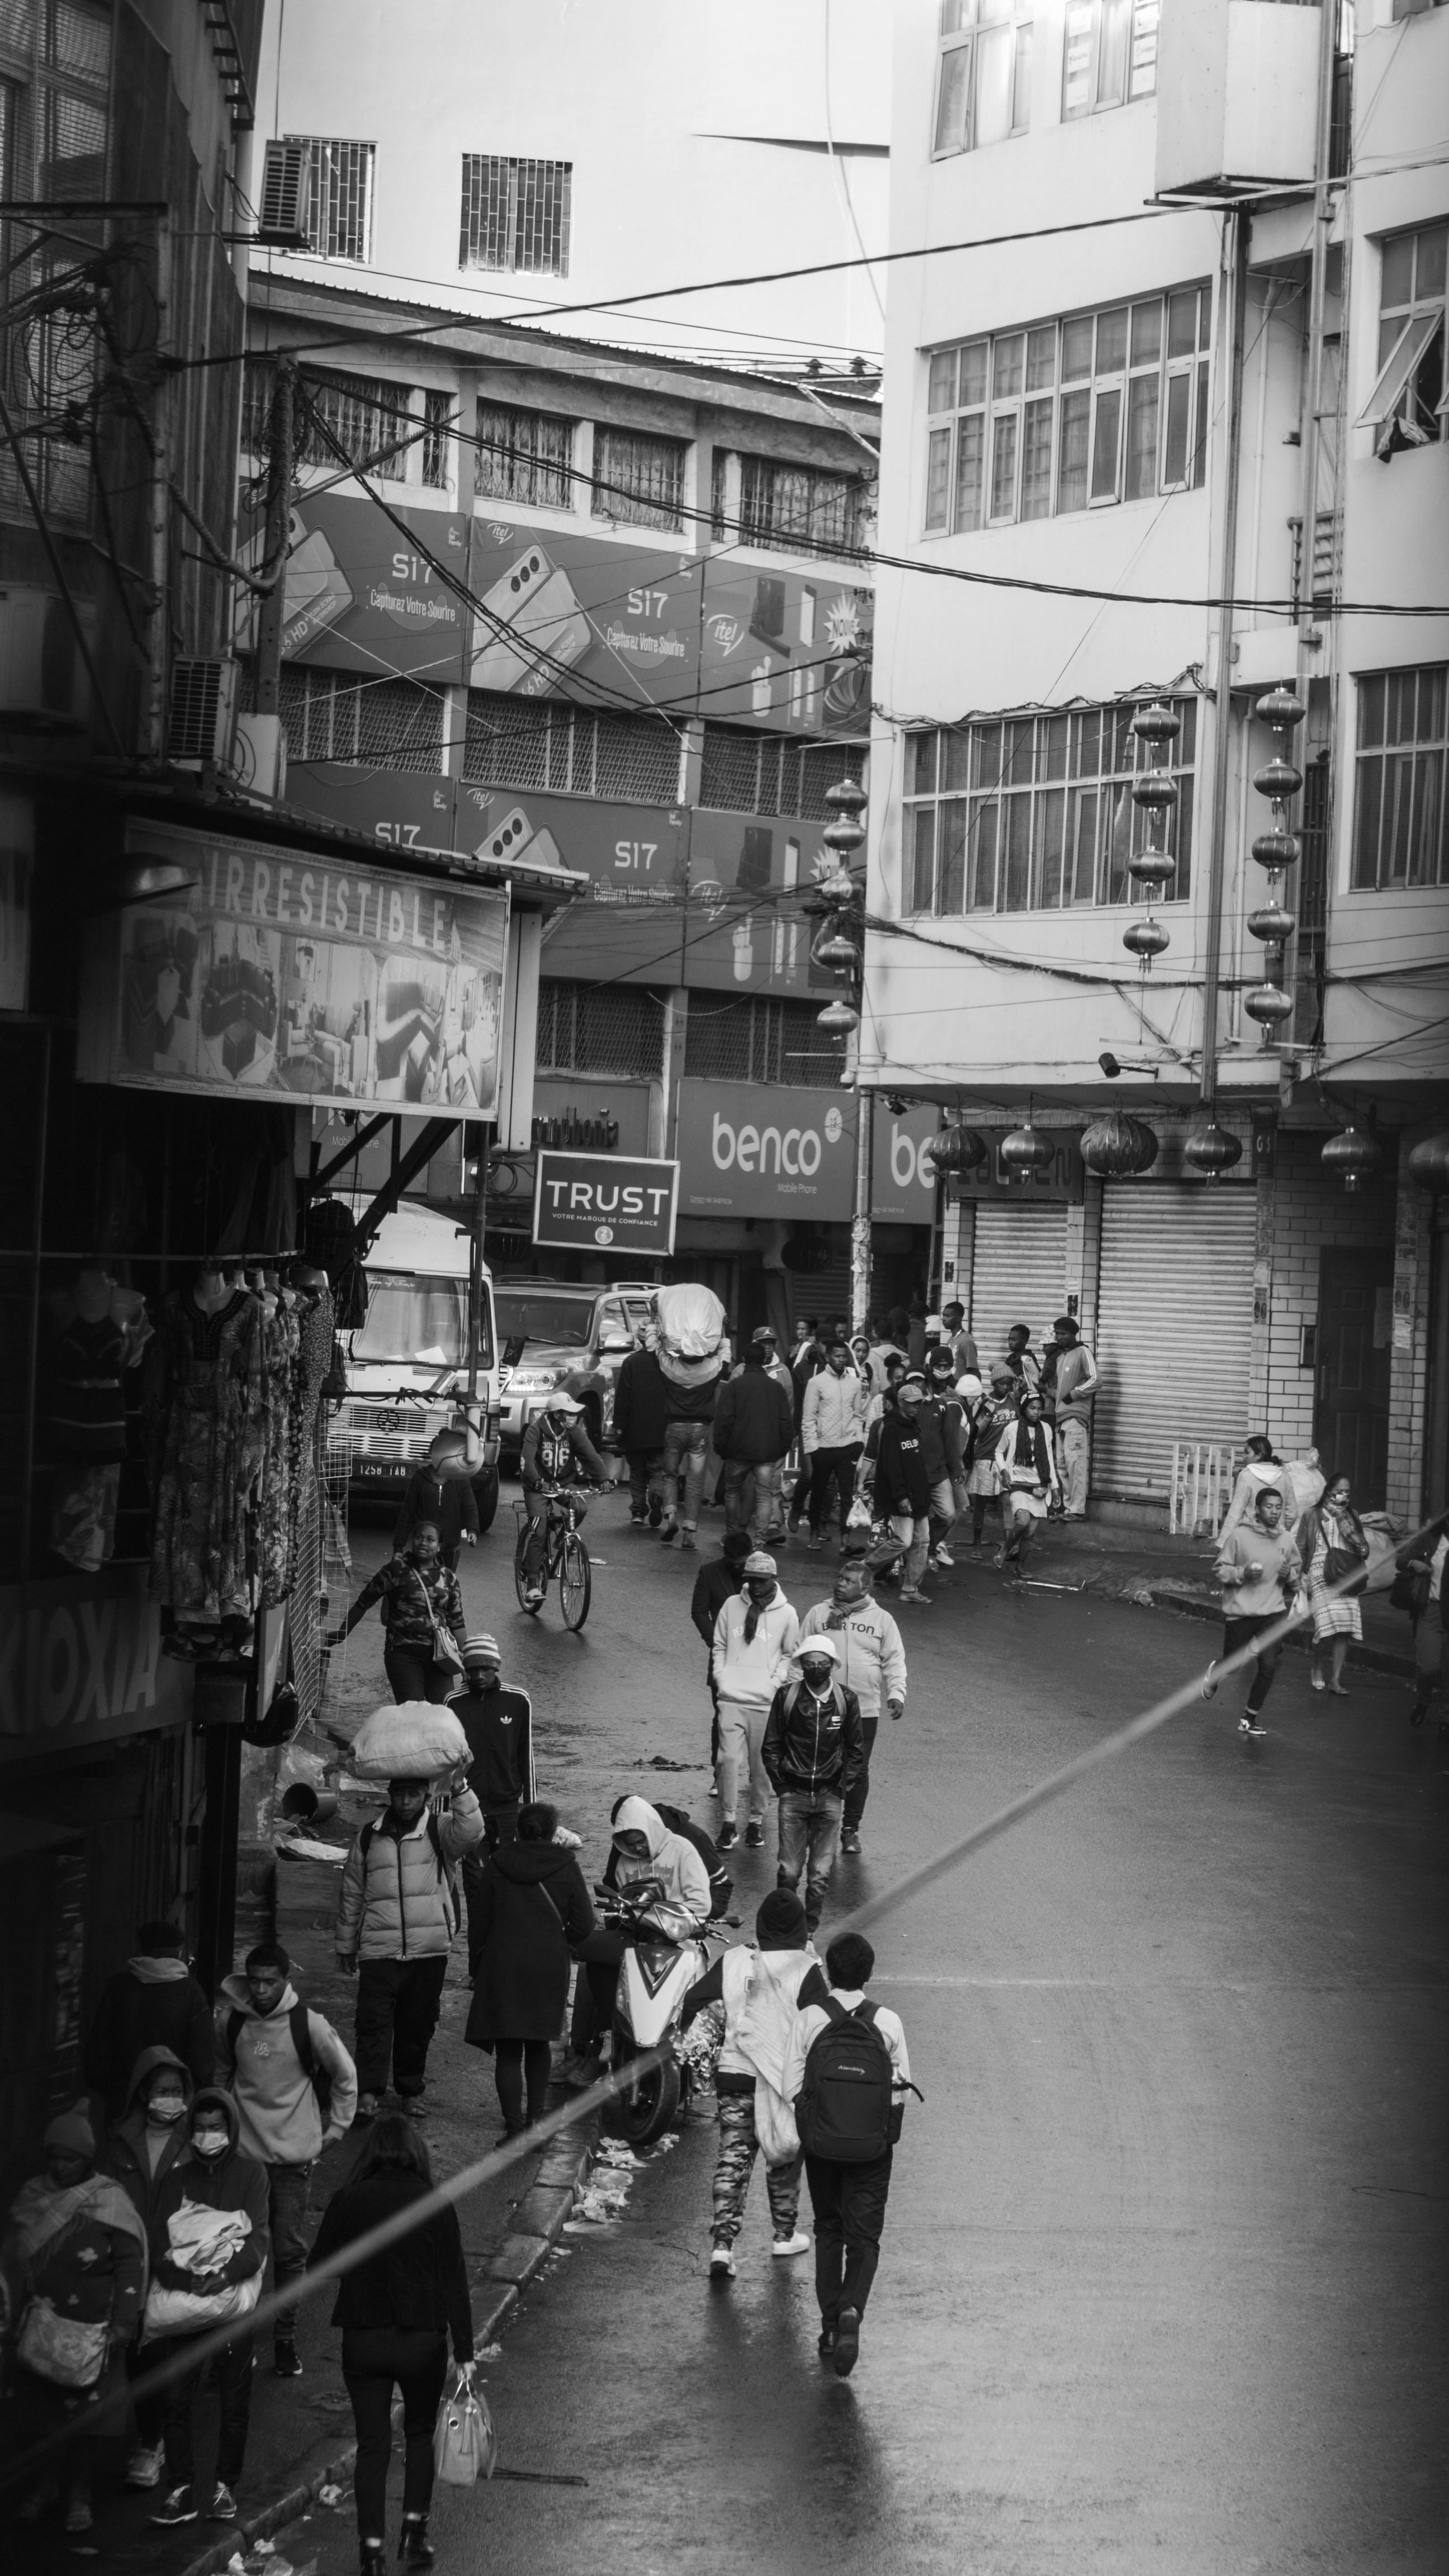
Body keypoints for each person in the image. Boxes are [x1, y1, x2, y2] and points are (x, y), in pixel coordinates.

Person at [309, 2114, 476, 2576]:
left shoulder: (348, 2199)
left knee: (372, 2444)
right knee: (420, 2435)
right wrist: (465, 2351)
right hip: (421, 2339)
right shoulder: (435, 2203)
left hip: (362, 2337)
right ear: (415, 2154)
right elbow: (453, 2282)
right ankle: (414, 2534)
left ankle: (371, 2551)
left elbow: (319, 2265)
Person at [214, 1942, 357, 2378]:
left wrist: (334, 2131)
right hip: (243, 2160)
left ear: (285, 1980)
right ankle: (237, 2344)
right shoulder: (230, 2022)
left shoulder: (308, 2026)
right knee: (239, 2251)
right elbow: (221, 2076)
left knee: (289, 2253)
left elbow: (346, 2077)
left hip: (292, 2163)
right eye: (254, 1980)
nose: (260, 1989)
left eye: (269, 1982)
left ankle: (284, 2341)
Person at [6, 2110, 148, 2535]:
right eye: (54, 2158)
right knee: (34, 2417)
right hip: (36, 2333)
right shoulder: (32, 2196)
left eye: (69, 2159)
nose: (60, 2167)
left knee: (86, 2425)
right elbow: (11, 2259)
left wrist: (124, 2321)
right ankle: (44, 2487)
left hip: (92, 2338)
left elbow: (130, 2266)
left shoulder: (110, 2201)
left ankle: (79, 2496)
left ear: (87, 2160)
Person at [780, 1930, 914, 2380]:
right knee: (865, 2237)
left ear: (829, 1972)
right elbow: (899, 2091)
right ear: (869, 1974)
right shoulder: (889, 2022)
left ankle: (827, 2329)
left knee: (828, 2228)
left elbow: (790, 2087)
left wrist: (816, 2123)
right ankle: (852, 2307)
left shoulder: (810, 2018)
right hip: (872, 2149)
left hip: (822, 2145)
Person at [680, 1889, 824, 2280]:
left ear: (761, 1924)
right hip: (782, 2079)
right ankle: (783, 2234)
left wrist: (691, 2042)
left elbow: (693, 2000)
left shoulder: (735, 1959)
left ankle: (722, 2247)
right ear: (798, 1927)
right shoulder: (805, 1967)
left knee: (733, 2157)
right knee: (785, 2153)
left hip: (735, 2074)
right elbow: (821, 2026)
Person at [148, 2089, 270, 2527]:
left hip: (230, 2305)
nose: (207, 2136)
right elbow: (163, 2243)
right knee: (176, 2397)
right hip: (185, 2303)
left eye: (216, 2127)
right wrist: (188, 2280)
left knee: (234, 2400)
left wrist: (225, 2275)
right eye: (200, 2128)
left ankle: (224, 2488)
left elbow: (257, 2242)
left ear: (231, 2130)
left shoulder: (252, 2174)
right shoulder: (176, 2181)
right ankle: (180, 2488)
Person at [335, 1769, 484, 2120]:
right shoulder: (368, 1837)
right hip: (378, 1948)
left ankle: (409, 2091)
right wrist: (345, 1944)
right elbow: (353, 1892)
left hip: (428, 1948)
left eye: (413, 1796)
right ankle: (368, 2094)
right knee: (371, 2024)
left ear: (427, 1797)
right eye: (400, 1795)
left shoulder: (440, 1830)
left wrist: (461, 1787)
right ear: (390, 1794)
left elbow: (473, 1831)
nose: (405, 1803)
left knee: (417, 2026)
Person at [465, 1800, 595, 2137]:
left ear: (518, 1830)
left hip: (502, 1964)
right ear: (554, 1833)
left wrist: (477, 1966)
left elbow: (479, 1921)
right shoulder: (567, 1866)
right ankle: (535, 2123)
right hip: (548, 1966)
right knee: (538, 2046)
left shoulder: (498, 1863)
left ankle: (513, 2128)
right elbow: (585, 1923)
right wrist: (562, 1943)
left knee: (508, 2052)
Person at [103, 2049, 194, 2490]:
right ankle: (148, 2435)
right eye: (162, 2092)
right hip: (131, 2264)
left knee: (164, 2354)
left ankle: (153, 2443)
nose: (170, 2100)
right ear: (144, 2094)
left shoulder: (196, 2139)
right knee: (138, 2354)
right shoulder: (121, 2141)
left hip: (176, 2263)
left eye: (177, 2092)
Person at [571, 1798, 713, 2073]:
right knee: (596, 1960)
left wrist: (670, 1918)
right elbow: (623, 1899)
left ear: (652, 1829)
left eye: (640, 1841)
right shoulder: (625, 1862)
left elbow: (701, 1902)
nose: (638, 1848)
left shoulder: (683, 1850)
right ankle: (610, 2031)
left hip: (680, 1938)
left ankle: (695, 2052)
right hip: (639, 1939)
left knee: (697, 1993)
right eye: (631, 1843)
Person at [798, 1556, 906, 1857]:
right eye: (840, 1577)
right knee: (820, 1767)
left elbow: (894, 1660)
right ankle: (823, 1827)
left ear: (865, 1587)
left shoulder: (882, 1619)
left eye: (847, 1581)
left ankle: (851, 1830)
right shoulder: (819, 1614)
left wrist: (896, 1692)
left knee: (857, 1770)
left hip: (864, 1709)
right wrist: (791, 1696)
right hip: (821, 1705)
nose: (839, 1583)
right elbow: (798, 1653)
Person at [761, 1635, 864, 1933]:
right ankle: (785, 1930)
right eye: (810, 1664)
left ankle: (808, 1933)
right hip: (793, 1796)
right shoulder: (787, 1696)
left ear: (831, 1666)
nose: (816, 1669)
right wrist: (782, 1787)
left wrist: (839, 1788)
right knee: (789, 1872)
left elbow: (855, 1750)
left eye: (822, 1664)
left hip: (829, 1797)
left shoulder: (847, 1700)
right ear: (802, 1666)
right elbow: (771, 1745)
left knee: (820, 1874)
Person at [83, 1918, 215, 2124]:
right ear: (177, 1952)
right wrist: (186, 2097)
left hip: (123, 2105)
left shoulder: (118, 1988)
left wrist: (117, 2093)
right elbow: (203, 2061)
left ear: (142, 1950)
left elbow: (96, 2058)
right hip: (173, 2107)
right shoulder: (191, 1992)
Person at [712, 1551, 799, 1852]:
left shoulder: (787, 1614)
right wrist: (722, 1677)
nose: (755, 1586)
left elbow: (790, 1656)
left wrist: (775, 1685)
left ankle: (755, 1822)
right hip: (731, 1698)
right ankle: (728, 1823)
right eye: (750, 1580)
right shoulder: (731, 1605)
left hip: (765, 1703)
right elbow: (720, 1645)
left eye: (761, 1581)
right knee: (727, 1760)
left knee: (760, 1766)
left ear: (773, 1580)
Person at [326, 1522, 468, 1706]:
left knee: (444, 1713)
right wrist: (341, 1634)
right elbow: (364, 1602)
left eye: (430, 1540)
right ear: (413, 1541)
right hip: (403, 1655)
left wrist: (468, 1660)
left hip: (440, 1658)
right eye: (419, 1537)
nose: (423, 1543)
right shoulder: (395, 1570)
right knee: (411, 1713)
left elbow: (457, 1623)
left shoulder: (449, 1578)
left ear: (439, 1547)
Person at [1208, 1485, 1304, 1734]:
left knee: (1268, 1667)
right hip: (1241, 1613)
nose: (1274, 1512)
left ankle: (1249, 1718)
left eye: (1279, 1507)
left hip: (1272, 1614)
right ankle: (1215, 1673)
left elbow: (1297, 1575)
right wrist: (1243, 1573)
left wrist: (1290, 1574)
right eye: (1269, 1507)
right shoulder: (1239, 1536)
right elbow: (1220, 1569)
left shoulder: (1286, 1539)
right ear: (1258, 1509)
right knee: (1234, 1663)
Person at [519, 1389, 613, 1597]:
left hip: (563, 1484)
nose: (574, 1417)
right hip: (537, 1487)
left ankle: (562, 1541)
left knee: (580, 1507)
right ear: (557, 1414)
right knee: (539, 1529)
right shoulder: (536, 1430)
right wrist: (538, 1482)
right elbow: (527, 1461)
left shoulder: (574, 1432)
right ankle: (532, 1583)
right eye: (569, 1413)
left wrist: (604, 1478)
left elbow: (590, 1454)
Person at [713, 1339, 794, 1552]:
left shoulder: (734, 1387)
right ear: (764, 1360)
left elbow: (723, 1421)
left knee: (733, 1492)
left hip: (738, 1451)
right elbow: (786, 1423)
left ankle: (733, 1534)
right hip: (767, 1453)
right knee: (765, 1495)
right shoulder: (776, 1388)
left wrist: (721, 1447)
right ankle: (759, 1540)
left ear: (743, 1361)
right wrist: (781, 1450)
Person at [1298, 1471, 1371, 1694]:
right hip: (1320, 1572)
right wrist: (1301, 1577)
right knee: (1326, 1628)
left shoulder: (1353, 1515)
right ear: (1329, 1490)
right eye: (1339, 1491)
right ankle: (1317, 1665)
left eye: (1347, 1491)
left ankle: (1336, 1680)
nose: (1343, 1495)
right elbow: (1301, 1547)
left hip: (1346, 1572)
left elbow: (1362, 1547)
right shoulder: (1312, 1514)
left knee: (1344, 1629)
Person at [690, 1529, 752, 1791]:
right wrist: (714, 1642)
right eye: (733, 1561)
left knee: (758, 1719)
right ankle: (720, 1776)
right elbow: (699, 1611)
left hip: (756, 1658)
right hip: (724, 1658)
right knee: (723, 1718)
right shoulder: (709, 1571)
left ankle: (756, 1773)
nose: (738, 1566)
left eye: (742, 1562)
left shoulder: (761, 1572)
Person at [866, 1374, 935, 1604]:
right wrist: (901, 1496)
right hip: (902, 1496)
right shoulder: (891, 1427)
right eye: (913, 1404)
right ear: (902, 1403)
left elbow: (916, 1463)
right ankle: (866, 1567)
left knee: (923, 1541)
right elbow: (891, 1466)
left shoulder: (913, 1425)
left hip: (919, 1495)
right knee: (904, 1541)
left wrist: (924, 1495)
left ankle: (910, 1589)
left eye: (920, 1403)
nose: (917, 1408)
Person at [799, 1336, 868, 1547]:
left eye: (844, 1357)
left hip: (848, 1447)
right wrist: (812, 1448)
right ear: (827, 1357)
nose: (841, 1360)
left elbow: (858, 1415)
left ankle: (845, 1541)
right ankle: (813, 1535)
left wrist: (859, 1442)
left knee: (847, 1494)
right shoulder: (816, 1383)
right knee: (819, 1492)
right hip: (824, 1448)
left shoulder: (855, 1383)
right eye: (837, 1356)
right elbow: (808, 1419)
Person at [391, 1428, 479, 1570]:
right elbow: (407, 1513)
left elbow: (470, 1507)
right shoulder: (420, 1478)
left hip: (451, 1548)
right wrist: (398, 1547)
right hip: (424, 1547)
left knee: (445, 1587)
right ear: (432, 1454)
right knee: (422, 1587)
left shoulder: (461, 1479)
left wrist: (473, 1530)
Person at [993, 1394, 1060, 1575]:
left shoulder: (1046, 1429)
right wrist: (1004, 1470)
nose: (1037, 1412)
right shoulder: (1012, 1428)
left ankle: (1020, 1567)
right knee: (1022, 1522)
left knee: (1030, 1533)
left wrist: (1055, 1487)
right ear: (1024, 1409)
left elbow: (1048, 1459)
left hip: (1039, 1487)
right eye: (1032, 1408)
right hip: (1018, 1485)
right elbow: (999, 1452)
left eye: (1040, 1409)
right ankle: (1005, 1550)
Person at [612, 1332, 672, 1527]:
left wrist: (619, 1426)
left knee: (637, 1472)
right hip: (661, 1428)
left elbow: (623, 1396)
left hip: (635, 1428)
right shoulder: (668, 1362)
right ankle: (656, 1496)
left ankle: (638, 1511)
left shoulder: (631, 1361)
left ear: (639, 1340)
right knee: (657, 1471)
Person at [1041, 1317, 1098, 1520]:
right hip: (1061, 1418)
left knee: (1076, 1465)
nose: (1059, 1337)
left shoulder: (1083, 1352)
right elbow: (1060, 1391)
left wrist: (1074, 1394)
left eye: (1063, 1334)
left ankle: (1077, 1510)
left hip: (1075, 1418)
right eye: (1057, 1334)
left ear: (1074, 1334)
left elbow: (1095, 1379)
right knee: (1063, 1466)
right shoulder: (1061, 1357)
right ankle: (1068, 1509)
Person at [1400, 1512, 1449, 1730]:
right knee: (1428, 1668)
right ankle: (1423, 1701)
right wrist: (1414, 1563)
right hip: (1432, 1610)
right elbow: (1400, 1561)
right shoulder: (1430, 1539)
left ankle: (1446, 1718)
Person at [962, 1367, 1016, 1547]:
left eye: (1009, 1383)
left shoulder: (1013, 1401)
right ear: (994, 1383)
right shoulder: (986, 1402)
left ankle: (1008, 1547)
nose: (1006, 1387)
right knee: (981, 1502)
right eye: (1002, 1383)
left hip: (1007, 1460)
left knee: (1008, 1502)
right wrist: (988, 1415)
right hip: (986, 1458)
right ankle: (977, 1543)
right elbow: (975, 1434)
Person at [921, 1352, 965, 1568]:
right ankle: (922, 1552)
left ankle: (930, 1547)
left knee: (949, 1515)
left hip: (942, 1467)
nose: (943, 1369)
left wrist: (956, 1467)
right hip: (919, 1468)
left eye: (947, 1365)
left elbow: (953, 1436)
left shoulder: (955, 1391)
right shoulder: (920, 1389)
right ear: (930, 1367)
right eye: (939, 1365)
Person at [1217, 1434, 1290, 1542]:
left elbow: (1235, 1512)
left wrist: (1223, 1543)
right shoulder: (1284, 1476)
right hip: (1277, 1539)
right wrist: (1282, 1528)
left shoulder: (1247, 1475)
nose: (1243, 1457)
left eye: (1247, 1452)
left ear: (1259, 1455)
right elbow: (1292, 1512)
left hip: (1250, 1539)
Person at [941, 1299, 979, 1380]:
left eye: (947, 1316)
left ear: (958, 1318)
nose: (943, 1319)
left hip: (961, 1390)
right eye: (943, 1315)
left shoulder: (966, 1341)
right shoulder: (952, 1339)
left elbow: (974, 1371)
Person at [1002, 1322, 1041, 1396]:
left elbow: (1035, 1383)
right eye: (1009, 1339)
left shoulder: (1029, 1362)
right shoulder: (1010, 1359)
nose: (1010, 1343)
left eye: (1013, 1340)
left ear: (1024, 1341)